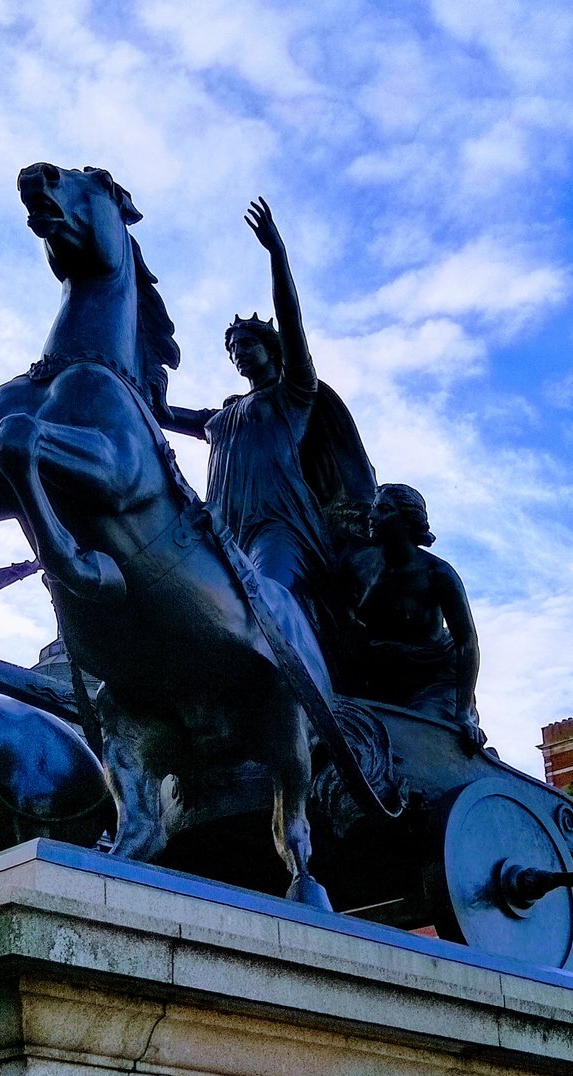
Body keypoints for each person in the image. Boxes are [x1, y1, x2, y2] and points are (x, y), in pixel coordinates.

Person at [163, 199, 375, 627]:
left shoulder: (294, 392)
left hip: (281, 525)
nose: (238, 354)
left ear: (269, 348)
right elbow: (160, 414)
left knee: (267, 602)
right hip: (223, 524)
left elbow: (291, 318)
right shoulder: (224, 414)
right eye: (232, 349)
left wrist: (276, 253)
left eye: (246, 345)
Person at [344, 483, 486, 754]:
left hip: (434, 682)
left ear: (408, 521)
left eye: (384, 510)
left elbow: (467, 643)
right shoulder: (357, 565)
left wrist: (463, 712)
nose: (372, 517)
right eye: (374, 508)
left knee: (415, 740)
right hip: (380, 681)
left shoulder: (438, 574)